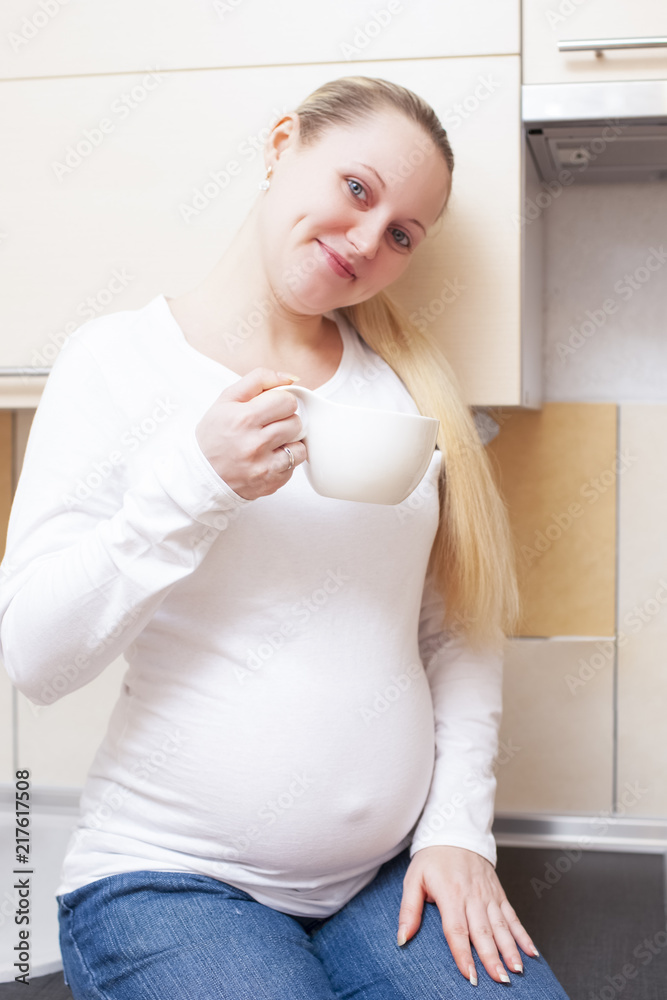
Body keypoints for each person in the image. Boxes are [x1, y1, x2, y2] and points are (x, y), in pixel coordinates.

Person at [0, 76, 571, 999]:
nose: (366, 239)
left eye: (401, 234)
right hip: (168, 880)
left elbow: (454, 633)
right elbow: (36, 655)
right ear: (280, 146)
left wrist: (457, 832)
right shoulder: (114, 363)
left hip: (384, 882)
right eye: (356, 188)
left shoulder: (402, 391)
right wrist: (196, 483)